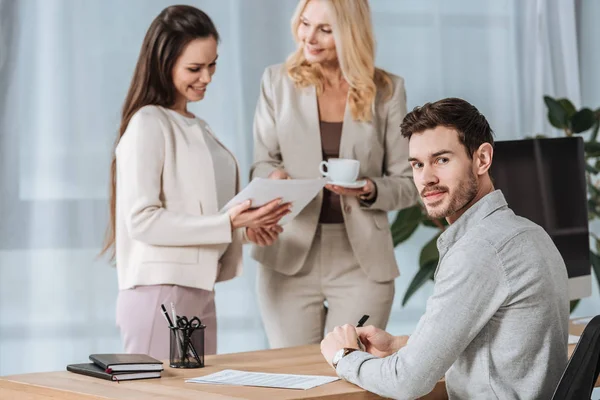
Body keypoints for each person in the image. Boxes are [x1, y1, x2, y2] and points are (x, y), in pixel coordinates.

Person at [320, 98, 569, 399]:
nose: (426, 178)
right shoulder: (530, 233)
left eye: (442, 160)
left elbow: (407, 382)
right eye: (417, 164)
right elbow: (493, 344)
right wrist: (401, 346)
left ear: (482, 159)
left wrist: (343, 357)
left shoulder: (480, 249)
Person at [99, 5, 290, 359]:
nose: (207, 77)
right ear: (163, 63)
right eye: (194, 68)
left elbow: (200, 212)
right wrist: (228, 222)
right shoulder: (148, 123)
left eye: (212, 64)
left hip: (197, 291)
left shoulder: (196, 126)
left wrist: (245, 229)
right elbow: (142, 220)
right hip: (162, 293)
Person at [250, 0, 418, 349]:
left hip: (361, 261)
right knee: (294, 376)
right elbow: (262, 162)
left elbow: (407, 184)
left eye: (325, 30)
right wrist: (274, 178)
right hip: (290, 253)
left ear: (350, 33)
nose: (309, 37)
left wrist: (369, 189)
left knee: (353, 371)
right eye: (305, 23)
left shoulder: (387, 90)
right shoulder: (276, 82)